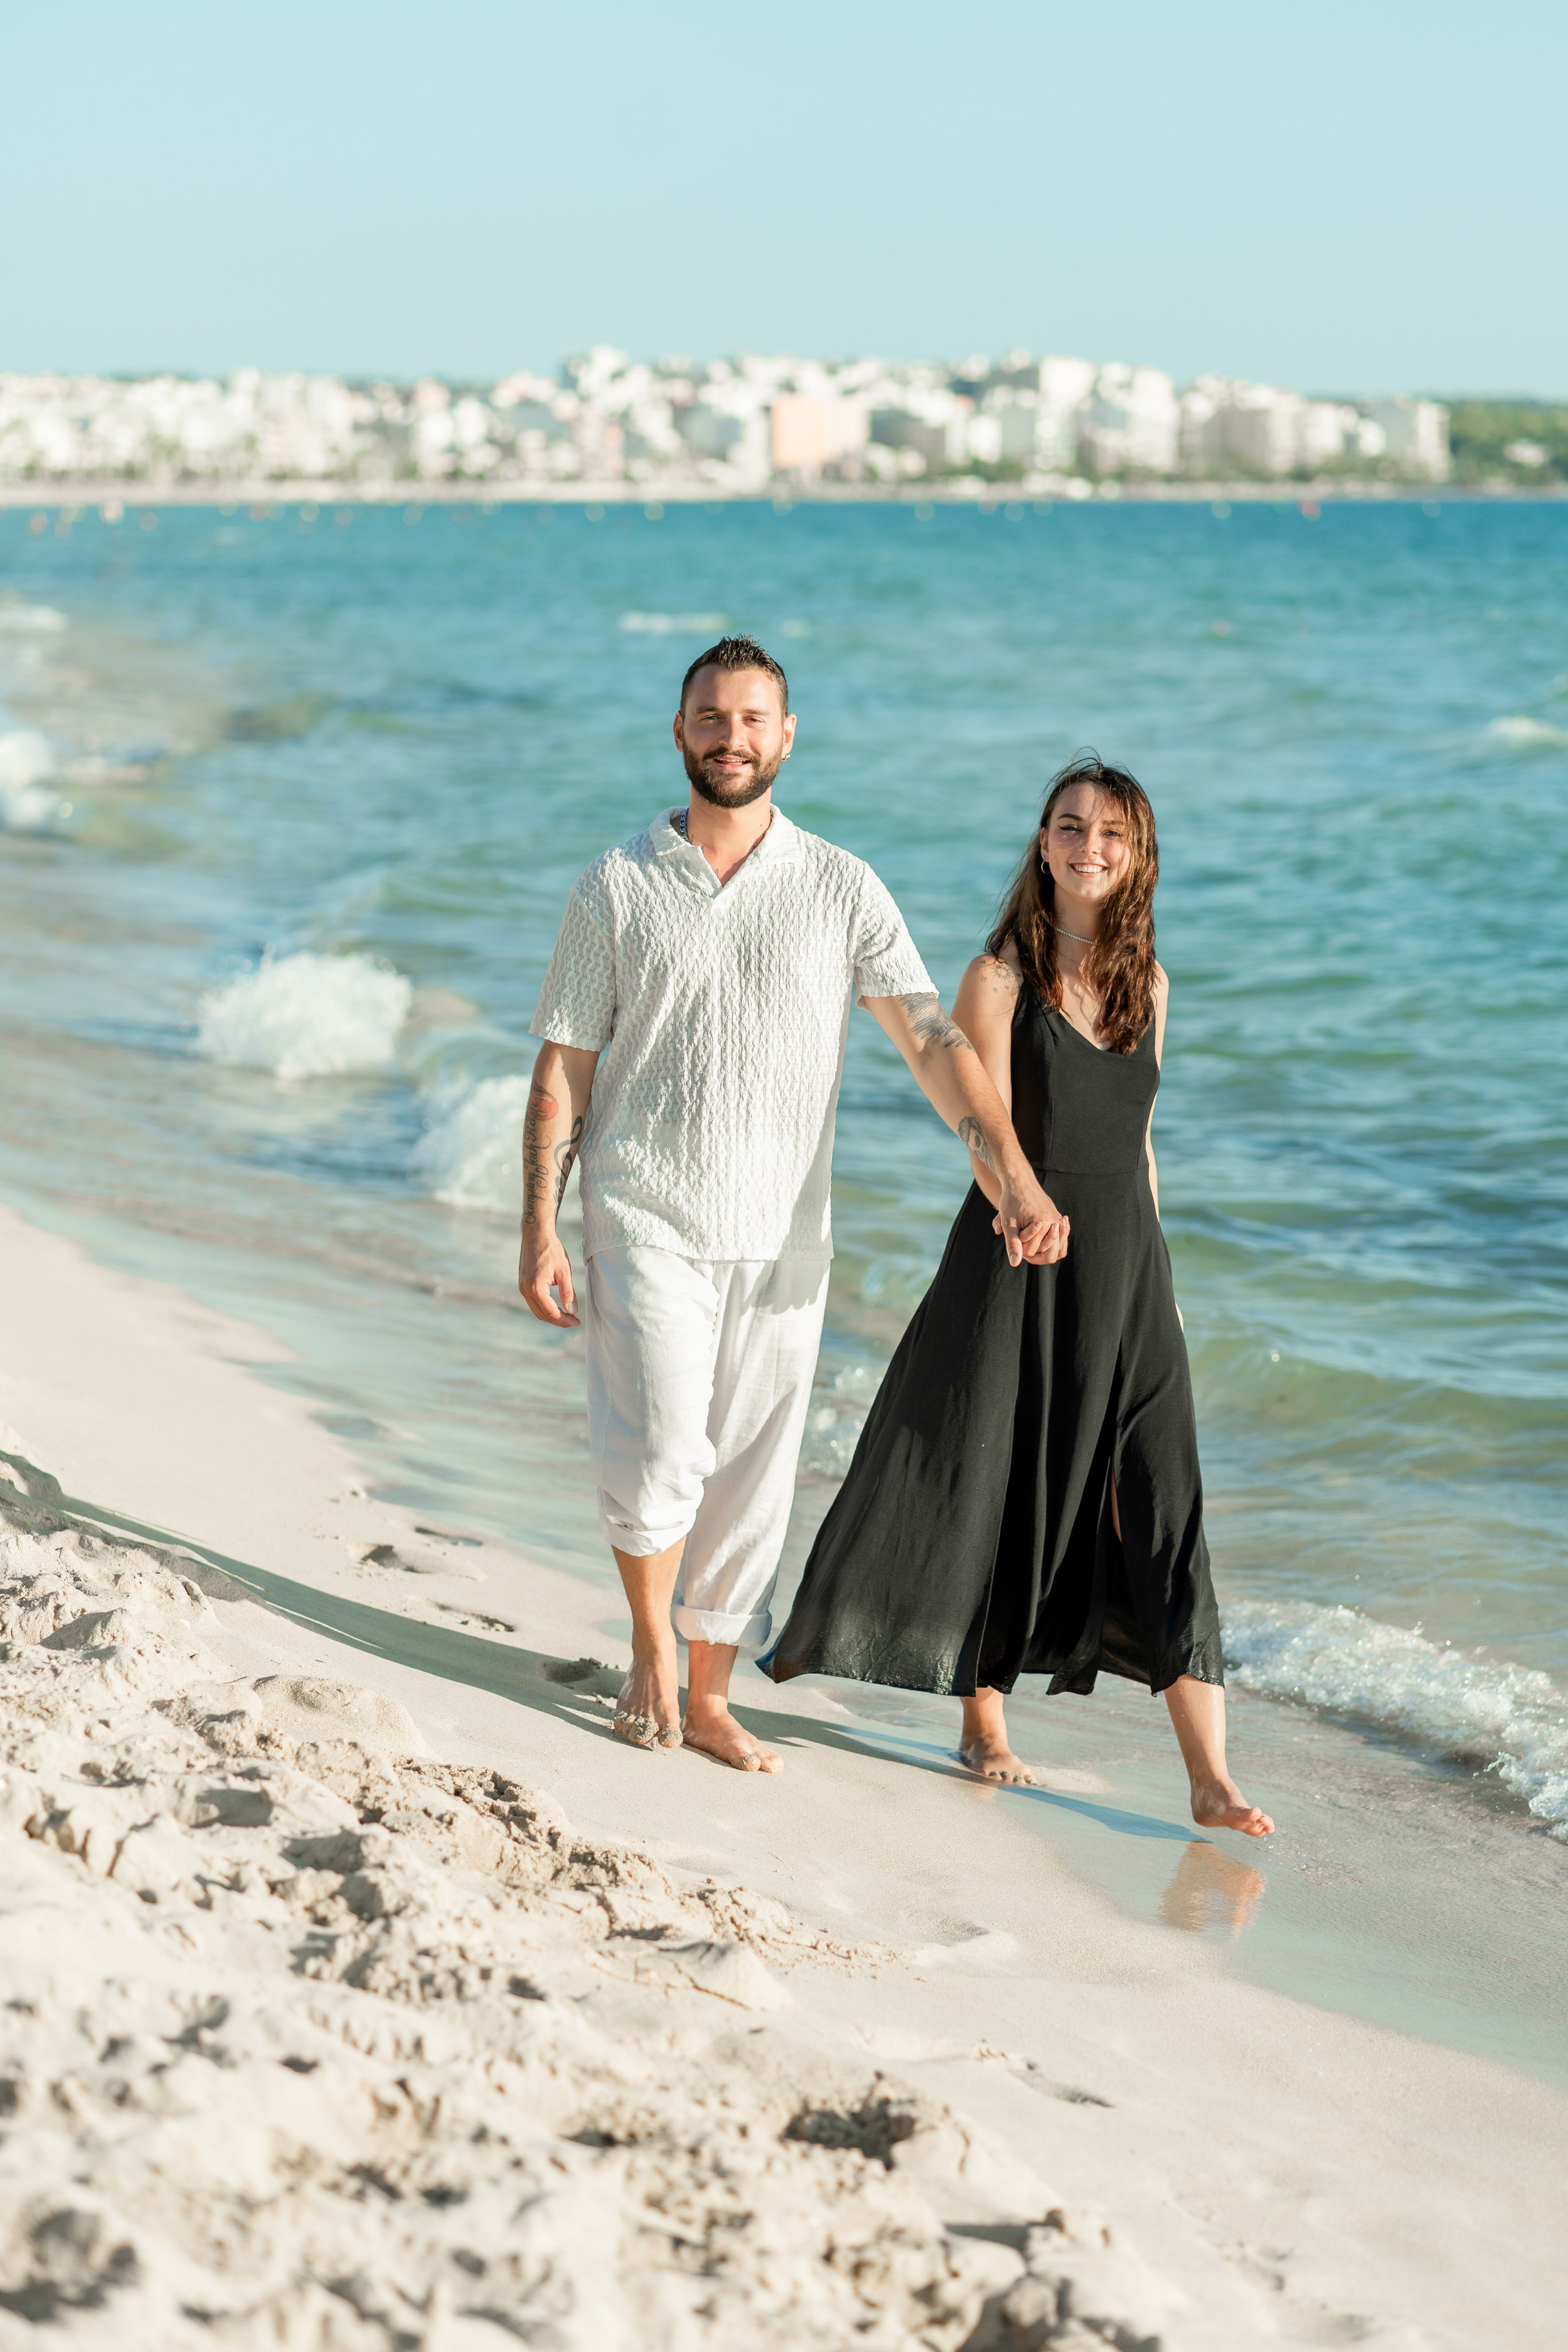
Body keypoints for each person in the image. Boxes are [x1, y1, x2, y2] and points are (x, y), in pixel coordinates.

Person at [518, 636, 1060, 1773]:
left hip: (784, 1232)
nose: (731, 737)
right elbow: (564, 1064)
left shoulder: (840, 885)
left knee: (753, 1476)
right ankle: (651, 1649)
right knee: (663, 1442)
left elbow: (931, 1037)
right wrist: (537, 1225)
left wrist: (1009, 1176)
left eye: (753, 719)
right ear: (680, 732)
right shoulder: (616, 883)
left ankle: (712, 1693)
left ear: (787, 736)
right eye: (711, 718)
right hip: (644, 1209)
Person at [761, 753, 1273, 1838]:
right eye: (1071, 827)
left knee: (1164, 1504)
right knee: (1001, 1479)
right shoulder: (998, 977)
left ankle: (1209, 1774)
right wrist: (1024, 1200)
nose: (1090, 847)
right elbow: (977, 1128)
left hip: (1131, 1272)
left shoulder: (1152, 984)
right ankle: (982, 1717)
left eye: (1113, 835)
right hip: (1018, 1260)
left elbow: (1139, 1153)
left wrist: (1161, 1291)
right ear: (1042, 843)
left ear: (1137, 860)